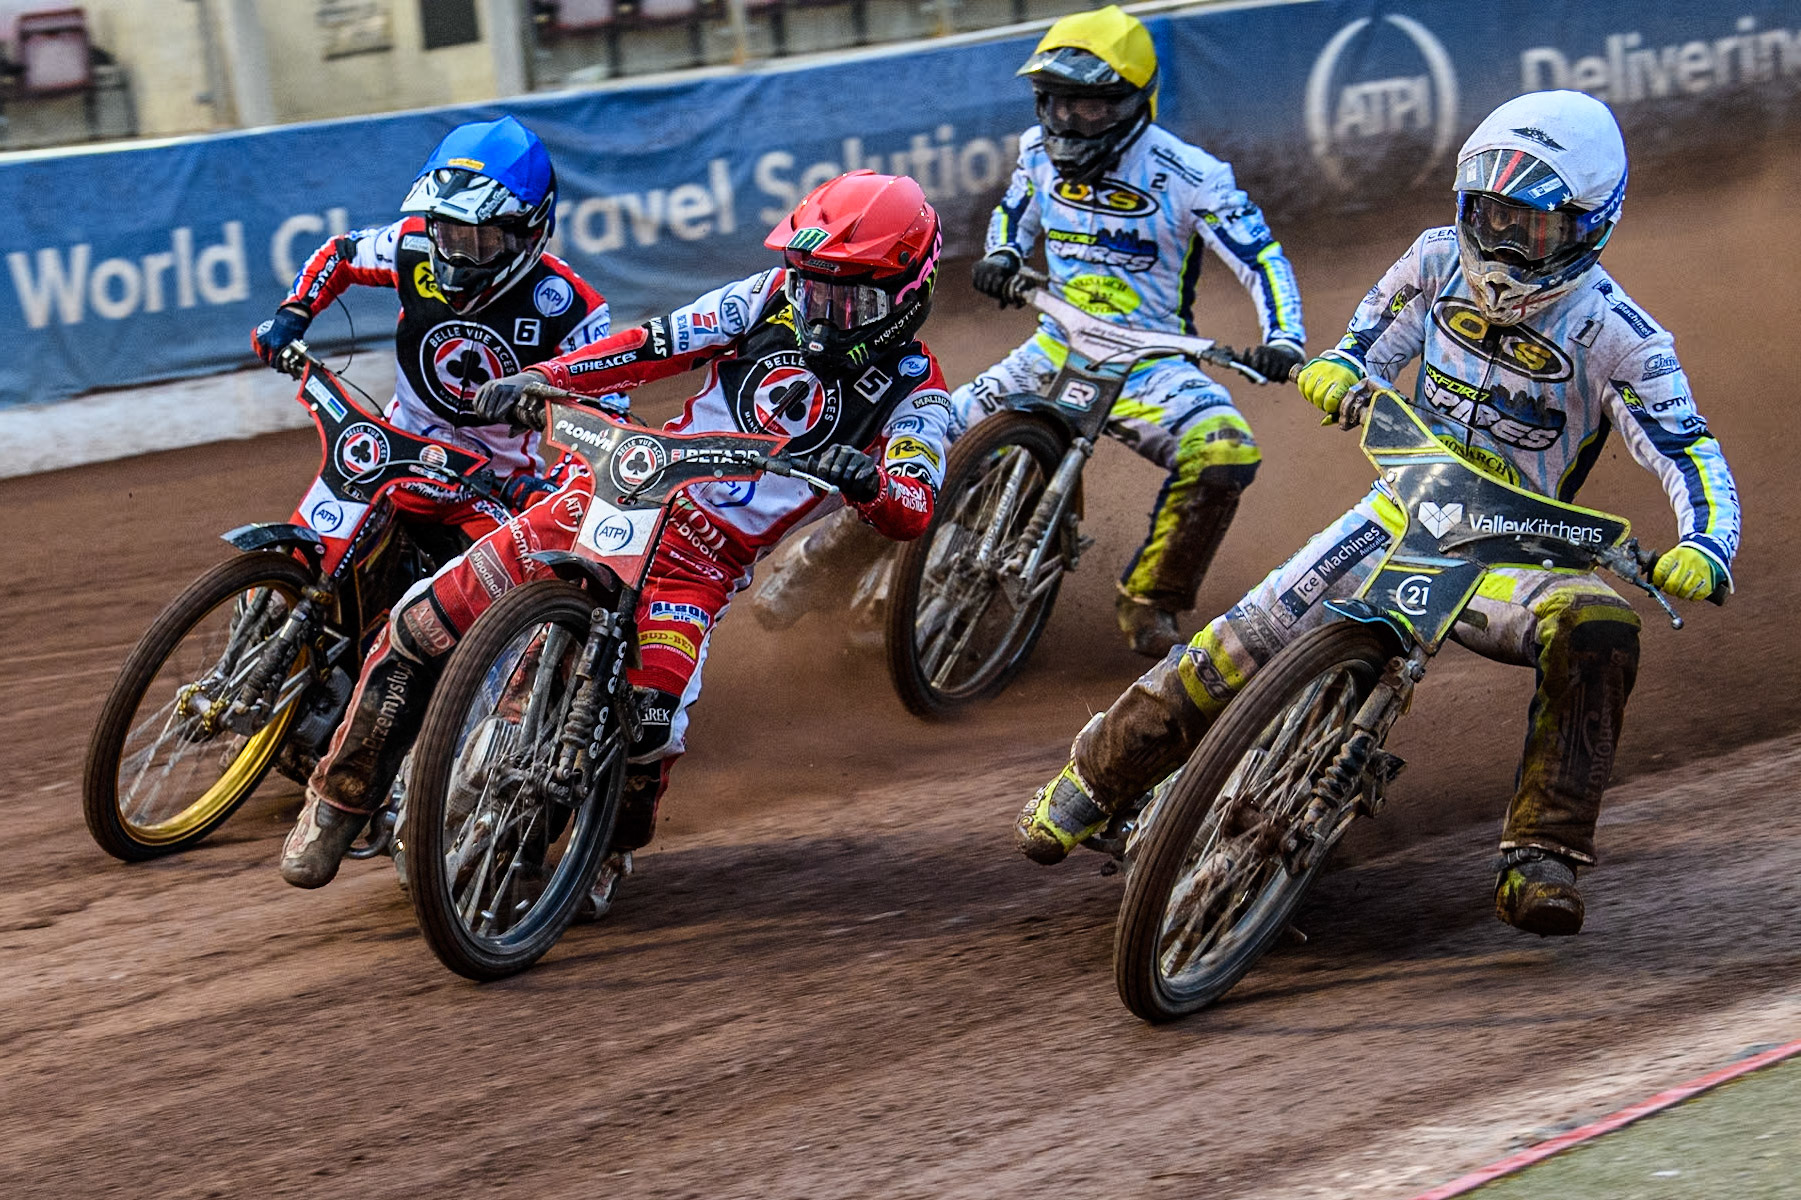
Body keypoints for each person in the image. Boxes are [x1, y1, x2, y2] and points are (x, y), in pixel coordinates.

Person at [1016, 91, 1740, 937]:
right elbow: (1363, 342)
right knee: (1245, 634)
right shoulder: (1434, 260)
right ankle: (1091, 780)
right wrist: (1339, 368)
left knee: (1597, 623)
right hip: (1396, 508)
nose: (1501, 244)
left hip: (1512, 549)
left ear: (1589, 225)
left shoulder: (1622, 337)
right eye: (1487, 216)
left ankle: (1541, 852)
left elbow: (1687, 450)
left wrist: (1707, 543)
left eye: (1528, 228)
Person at [279, 171, 952, 901]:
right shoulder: (760, 297)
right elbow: (651, 344)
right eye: (809, 284)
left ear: (908, 294)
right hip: (615, 494)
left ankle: (603, 846)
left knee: (649, 730)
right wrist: (547, 375)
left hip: (699, 563)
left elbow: (913, 504)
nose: (819, 309)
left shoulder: (920, 396)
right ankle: (337, 803)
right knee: (419, 623)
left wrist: (870, 482)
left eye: (846, 295)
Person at [956, 3, 1305, 657]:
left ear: (1132, 101)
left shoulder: (1190, 174)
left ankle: (1150, 598)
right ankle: (828, 562)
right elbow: (1012, 214)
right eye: (1053, 103)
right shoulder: (1035, 152)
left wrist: (1284, 339)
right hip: (1054, 344)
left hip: (1148, 360)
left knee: (1224, 450)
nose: (1067, 122)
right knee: (922, 438)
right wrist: (1003, 254)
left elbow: (1261, 258)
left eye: (1088, 107)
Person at [250, 115, 617, 538]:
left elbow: (606, 421)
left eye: (482, 241)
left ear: (529, 232)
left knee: (508, 586)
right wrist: (293, 313)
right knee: (312, 546)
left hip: (492, 487)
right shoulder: (411, 246)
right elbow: (341, 254)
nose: (458, 255)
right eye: (448, 234)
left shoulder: (573, 307)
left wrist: (552, 487)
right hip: (392, 454)